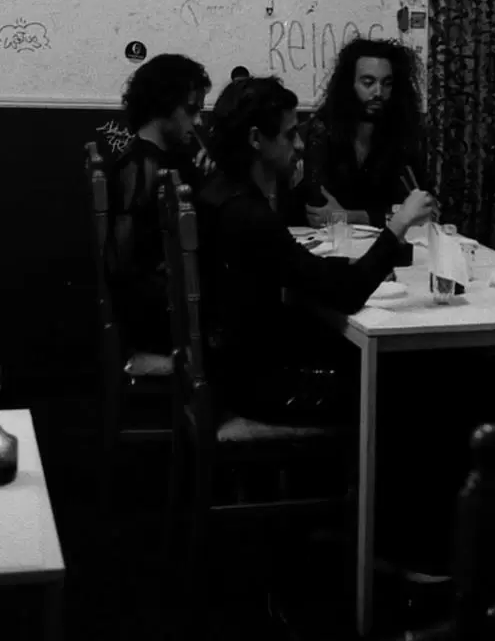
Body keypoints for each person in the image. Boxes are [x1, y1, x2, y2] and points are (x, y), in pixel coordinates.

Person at [197, 75, 436, 421]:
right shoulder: (247, 214)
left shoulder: (218, 192)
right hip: (259, 387)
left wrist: (353, 265)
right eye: (289, 134)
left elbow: (301, 268)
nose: (298, 146)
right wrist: (399, 224)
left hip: (230, 368)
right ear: (255, 139)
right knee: (408, 384)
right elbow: (346, 294)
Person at [107, 53, 212, 355]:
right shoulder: (141, 165)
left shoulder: (162, 158)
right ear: (163, 104)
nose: (198, 121)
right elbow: (122, 265)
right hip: (154, 319)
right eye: (191, 109)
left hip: (166, 303)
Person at [302, 37, 426, 228]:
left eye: (387, 83)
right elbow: (318, 213)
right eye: (368, 83)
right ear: (349, 85)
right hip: (333, 239)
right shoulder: (323, 130)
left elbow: (419, 212)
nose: (378, 92)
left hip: (388, 238)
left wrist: (350, 216)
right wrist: (371, 216)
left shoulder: (403, 132)